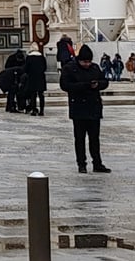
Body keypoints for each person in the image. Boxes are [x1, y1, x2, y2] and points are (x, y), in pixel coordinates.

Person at [59, 44, 111, 173]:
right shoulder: (70, 68)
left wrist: (98, 85)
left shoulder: (95, 68)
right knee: (80, 138)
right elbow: (65, 85)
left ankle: (97, 163)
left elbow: (104, 82)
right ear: (79, 60)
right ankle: (81, 164)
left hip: (94, 107)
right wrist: (85, 86)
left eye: (89, 61)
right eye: (84, 62)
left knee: (95, 138)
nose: (87, 64)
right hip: (79, 108)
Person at [23, 47, 48, 116]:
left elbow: (26, 68)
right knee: (41, 95)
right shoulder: (42, 57)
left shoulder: (29, 58)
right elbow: (45, 67)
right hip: (41, 77)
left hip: (32, 77)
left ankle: (34, 110)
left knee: (33, 95)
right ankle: (42, 110)